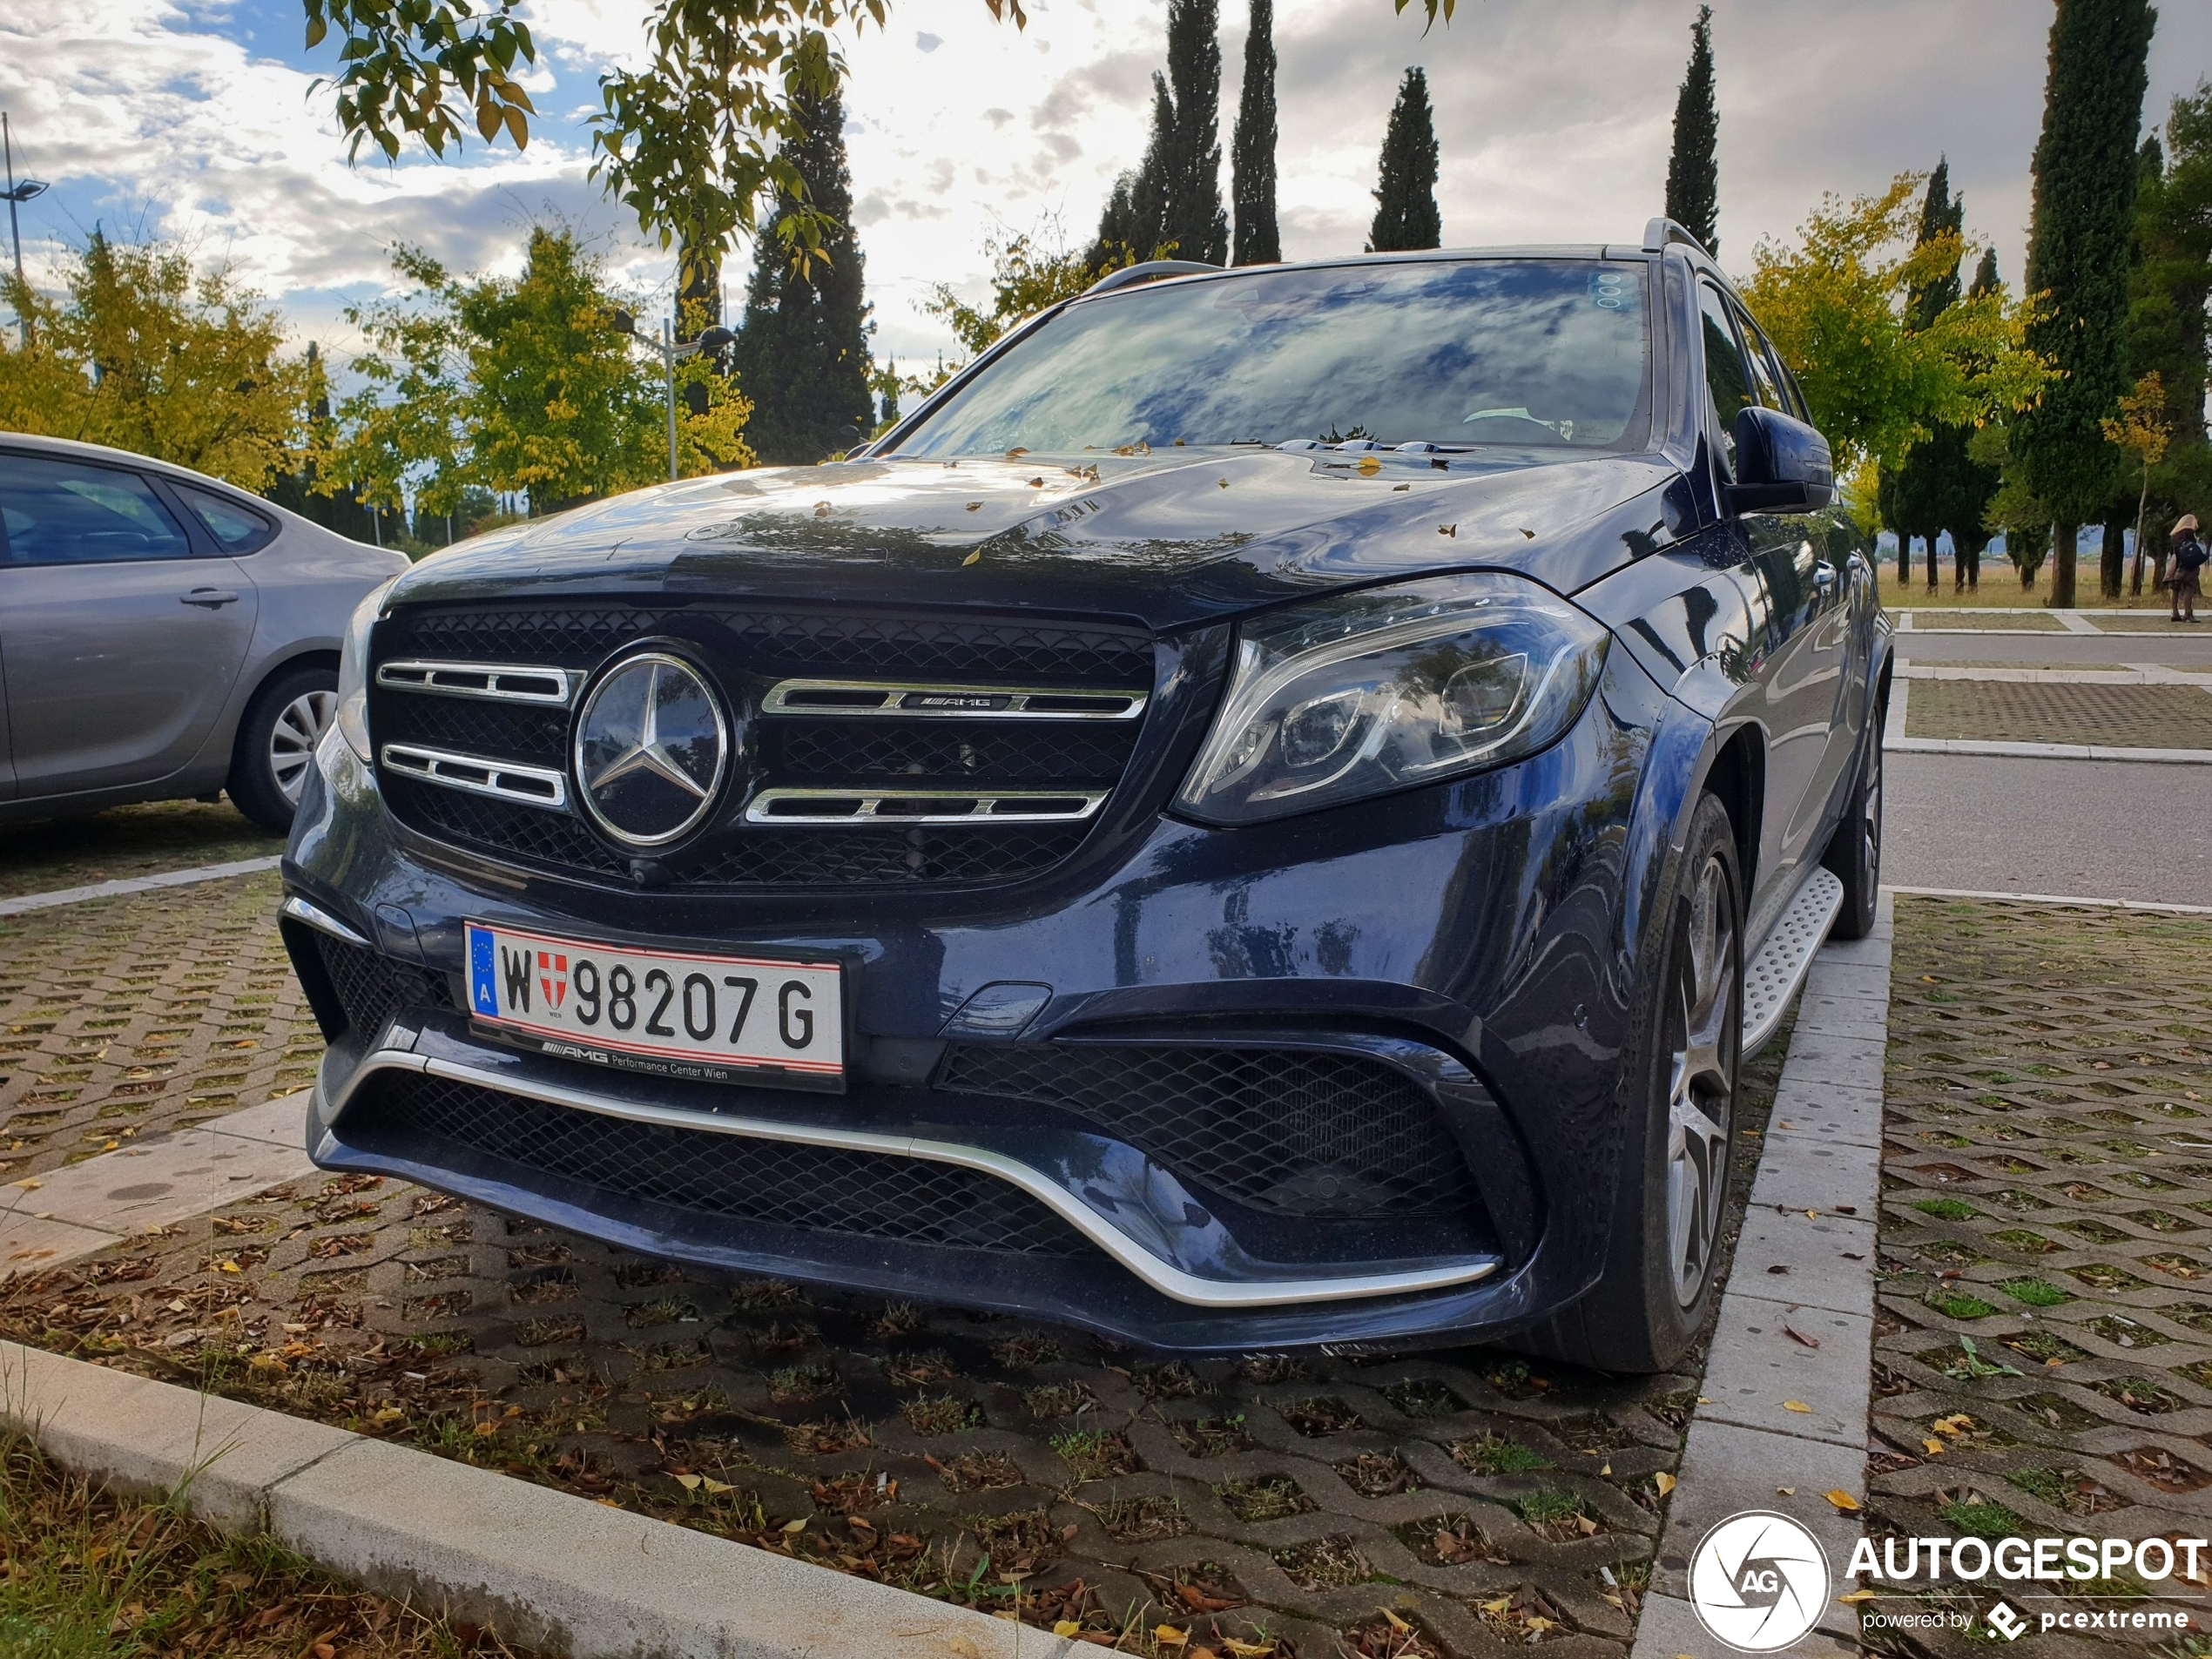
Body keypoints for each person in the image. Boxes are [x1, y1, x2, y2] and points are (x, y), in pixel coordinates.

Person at [2172, 514, 2205, 624]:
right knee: (2188, 589)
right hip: (2189, 567)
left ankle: (2175, 613)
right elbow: (2193, 551)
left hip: (2178, 567)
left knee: (2175, 590)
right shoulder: (2189, 533)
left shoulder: (2175, 535)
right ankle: (2188, 613)